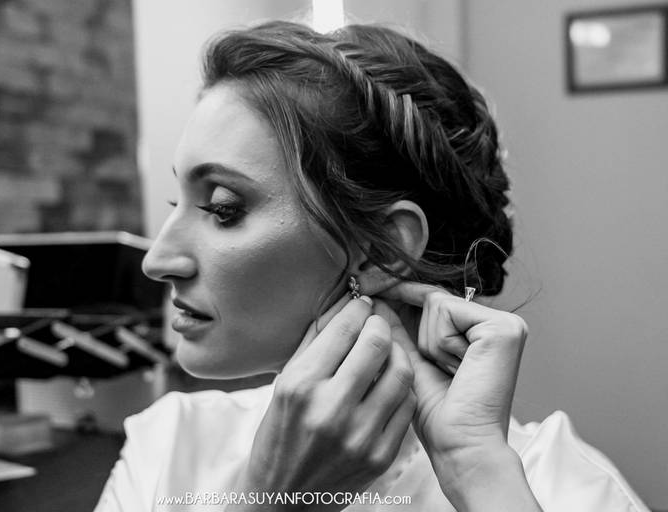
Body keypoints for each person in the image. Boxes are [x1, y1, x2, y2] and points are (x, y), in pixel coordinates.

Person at [95, 21, 649, 511]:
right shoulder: (168, 446)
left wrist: (476, 472)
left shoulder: (557, 485)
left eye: (222, 208)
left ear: (383, 249)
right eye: (176, 203)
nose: (157, 261)